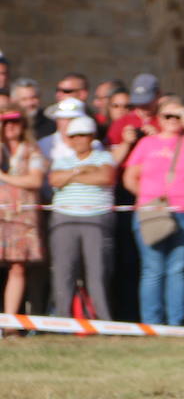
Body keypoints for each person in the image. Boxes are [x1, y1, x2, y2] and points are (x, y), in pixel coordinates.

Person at [123, 97, 184, 326]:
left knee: (177, 268)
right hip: (152, 214)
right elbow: (130, 178)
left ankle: (175, 323)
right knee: (153, 268)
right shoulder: (147, 144)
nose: (173, 120)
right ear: (158, 119)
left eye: (177, 117)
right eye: (167, 116)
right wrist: (151, 200)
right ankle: (152, 322)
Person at [46, 113, 115, 320]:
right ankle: (63, 320)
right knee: (63, 271)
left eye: (82, 135)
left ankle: (103, 320)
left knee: (97, 273)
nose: (78, 140)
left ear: (91, 136)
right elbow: (55, 180)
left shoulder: (104, 157)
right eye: (73, 136)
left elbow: (105, 177)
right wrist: (81, 170)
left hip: (96, 217)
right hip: (64, 218)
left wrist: (71, 176)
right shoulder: (62, 159)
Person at [0, 110, 45, 322]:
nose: (10, 126)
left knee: (17, 267)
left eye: (15, 121)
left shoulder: (32, 150)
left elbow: (35, 181)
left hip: (21, 217)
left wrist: (3, 177)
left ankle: (9, 322)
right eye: (5, 122)